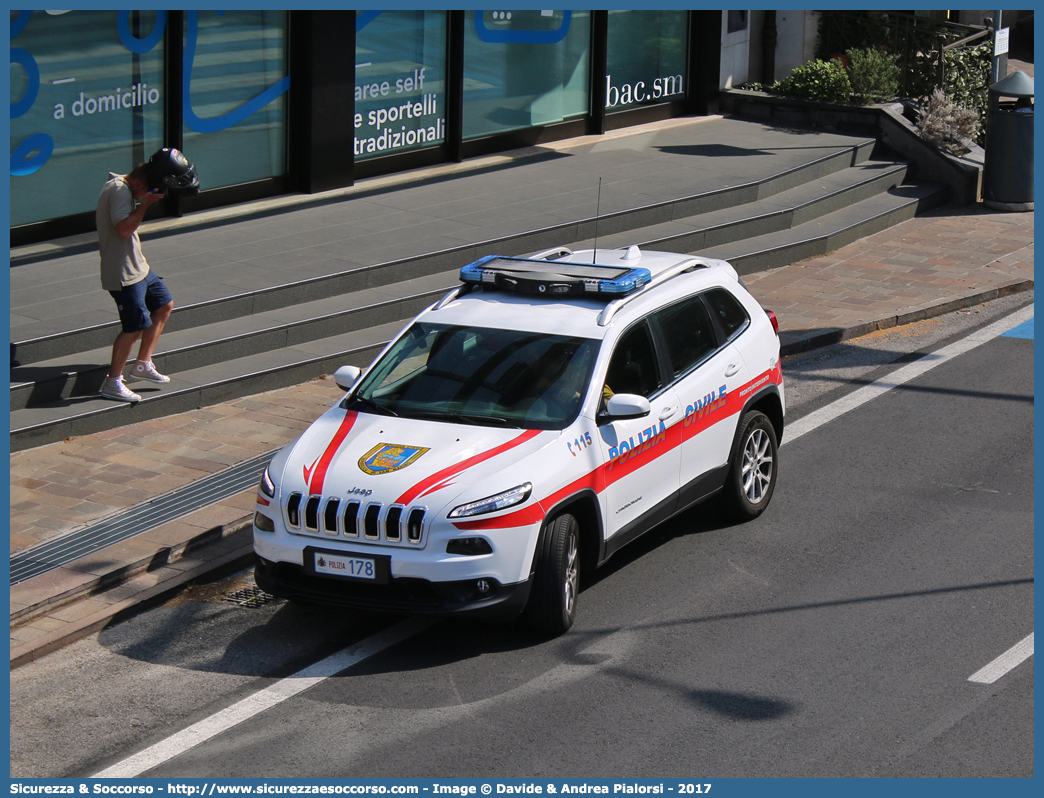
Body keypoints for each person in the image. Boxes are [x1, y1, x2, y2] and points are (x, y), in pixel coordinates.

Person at [95, 150, 193, 402]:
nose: (148, 196)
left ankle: (142, 364)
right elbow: (124, 229)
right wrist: (145, 205)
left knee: (163, 305)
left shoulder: (128, 188)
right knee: (134, 326)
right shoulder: (118, 191)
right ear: (139, 183)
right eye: (147, 191)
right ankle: (112, 382)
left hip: (139, 267)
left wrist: (143, 201)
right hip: (124, 273)